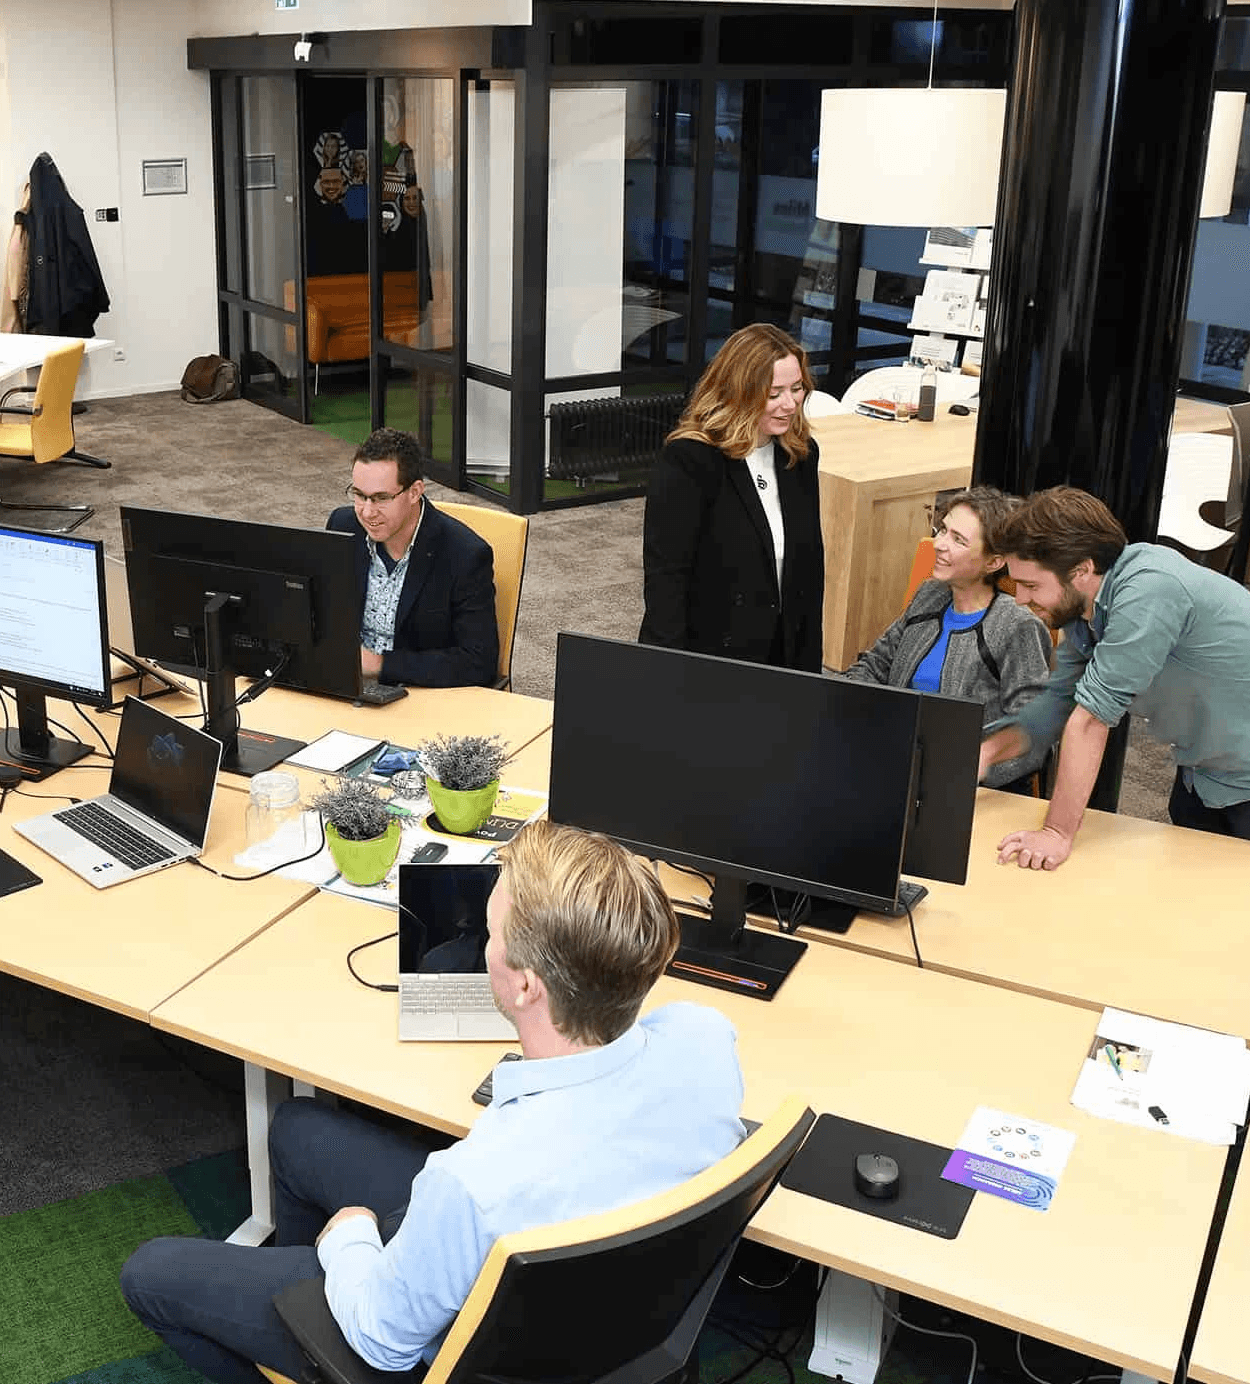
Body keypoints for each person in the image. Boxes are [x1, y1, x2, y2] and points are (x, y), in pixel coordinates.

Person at [119, 820, 745, 1384]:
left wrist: (351, 1244)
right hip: (606, 1311)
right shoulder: (707, 1040)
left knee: (148, 1276)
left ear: (526, 985)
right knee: (296, 1129)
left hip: (432, 1347)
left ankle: (314, 1330)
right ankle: (302, 1309)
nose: (483, 942)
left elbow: (382, 1342)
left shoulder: (472, 1184)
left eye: (492, 932)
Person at [980, 485, 1250, 868]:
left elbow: (1090, 721)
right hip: (1204, 771)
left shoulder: (1148, 590)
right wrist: (986, 752)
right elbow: (1058, 703)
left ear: (1082, 571)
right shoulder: (1087, 611)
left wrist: (1056, 833)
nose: (1020, 599)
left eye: (1031, 585)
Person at [640, 323, 825, 671]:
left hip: (783, 655)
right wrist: (664, 669)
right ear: (740, 392)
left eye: (797, 389)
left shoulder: (800, 455)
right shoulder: (691, 459)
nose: (790, 404)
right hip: (709, 659)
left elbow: (810, 575)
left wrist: (810, 673)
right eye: (774, 394)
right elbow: (667, 578)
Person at [846, 487, 1052, 790]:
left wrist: (968, 769)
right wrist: (844, 706)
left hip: (966, 786)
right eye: (942, 530)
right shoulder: (928, 595)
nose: (939, 545)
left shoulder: (1016, 626)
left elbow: (1033, 731)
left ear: (993, 562)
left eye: (958, 540)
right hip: (893, 765)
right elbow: (876, 665)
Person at [326, 428, 499, 688]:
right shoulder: (343, 525)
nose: (367, 512)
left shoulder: (465, 555)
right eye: (360, 495)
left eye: (381, 498)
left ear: (415, 492)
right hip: (347, 685)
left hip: (418, 694)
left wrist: (379, 665)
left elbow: (478, 662)